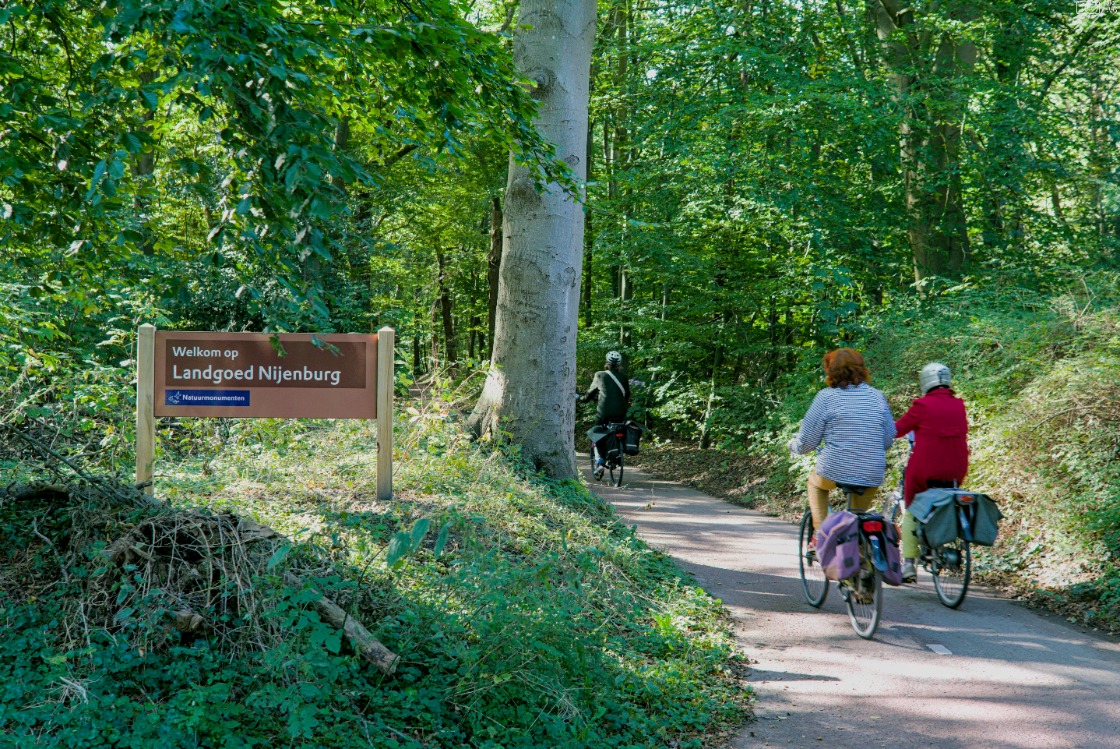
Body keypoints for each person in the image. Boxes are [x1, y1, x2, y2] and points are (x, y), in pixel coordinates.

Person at [788, 348, 896, 536]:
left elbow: (807, 442)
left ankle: (821, 535)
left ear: (830, 371)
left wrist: (794, 446)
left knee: (815, 484)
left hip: (833, 468)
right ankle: (862, 554)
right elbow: (887, 440)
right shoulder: (877, 397)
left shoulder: (826, 397)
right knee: (856, 523)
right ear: (862, 369)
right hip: (871, 470)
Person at [893, 362, 969, 582]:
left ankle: (908, 563)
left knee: (911, 511)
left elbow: (898, 430)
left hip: (925, 471)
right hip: (956, 469)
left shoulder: (922, 405)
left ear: (925, 382)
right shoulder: (959, 405)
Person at [580, 351, 630, 479]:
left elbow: (590, 394)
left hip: (604, 412)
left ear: (606, 363)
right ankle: (617, 453)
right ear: (619, 364)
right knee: (619, 429)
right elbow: (627, 395)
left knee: (596, 433)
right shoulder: (624, 377)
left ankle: (600, 462)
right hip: (620, 413)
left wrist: (582, 399)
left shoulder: (599, 375)